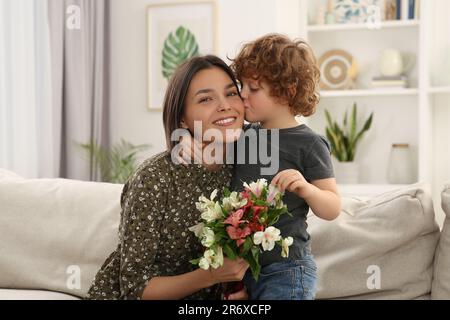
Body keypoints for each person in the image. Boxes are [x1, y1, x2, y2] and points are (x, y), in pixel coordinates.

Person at [86, 55, 249, 300]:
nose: (225, 105)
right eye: (205, 99)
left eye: (231, 93)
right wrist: (212, 276)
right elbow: (134, 289)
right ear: (182, 117)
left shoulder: (246, 167)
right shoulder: (153, 178)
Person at [230, 34, 341, 300]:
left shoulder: (310, 144)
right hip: (241, 272)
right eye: (241, 85)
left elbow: (333, 207)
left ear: (287, 91)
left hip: (287, 269)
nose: (242, 95)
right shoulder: (241, 135)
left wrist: (307, 190)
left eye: (253, 88)